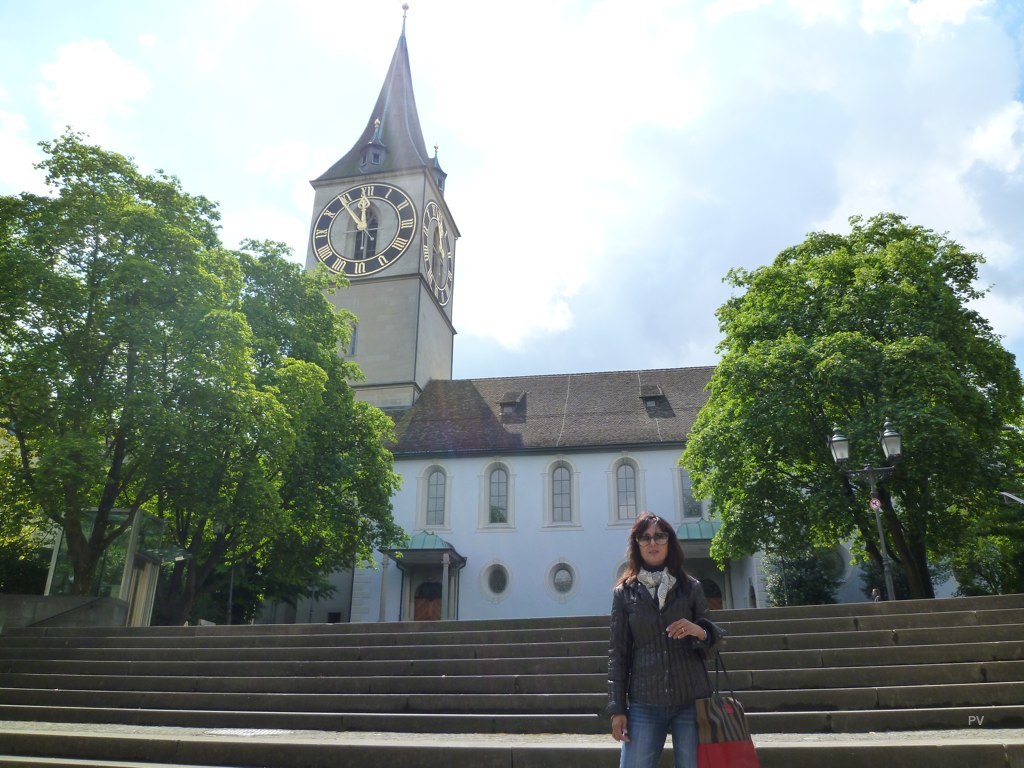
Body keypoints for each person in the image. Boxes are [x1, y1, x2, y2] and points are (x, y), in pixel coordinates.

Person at [607, 511, 720, 768]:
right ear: (636, 544)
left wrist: (699, 631)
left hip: (691, 699)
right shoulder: (624, 593)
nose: (653, 542)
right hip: (645, 701)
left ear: (670, 542)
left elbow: (713, 641)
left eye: (659, 536)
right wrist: (617, 709)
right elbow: (618, 653)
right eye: (645, 537)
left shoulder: (691, 587)